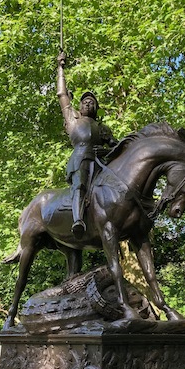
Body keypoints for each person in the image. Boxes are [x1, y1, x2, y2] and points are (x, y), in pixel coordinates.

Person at [57, 50, 117, 238]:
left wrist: (106, 151)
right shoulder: (73, 120)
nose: (88, 104)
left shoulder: (102, 127)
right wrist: (60, 68)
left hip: (100, 163)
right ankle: (78, 220)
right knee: (80, 185)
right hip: (81, 159)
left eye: (92, 103)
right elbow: (62, 94)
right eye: (85, 102)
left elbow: (116, 147)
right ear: (80, 107)